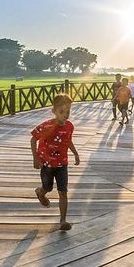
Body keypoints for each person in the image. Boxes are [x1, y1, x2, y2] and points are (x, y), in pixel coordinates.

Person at [31, 93, 80, 231]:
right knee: (47, 188)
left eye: (68, 111)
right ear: (54, 111)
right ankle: (40, 192)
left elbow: (68, 140)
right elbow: (33, 139)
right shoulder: (46, 126)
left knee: (63, 192)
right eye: (62, 111)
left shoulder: (69, 126)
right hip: (46, 165)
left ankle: (63, 220)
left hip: (62, 165)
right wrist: (35, 158)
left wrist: (75, 153)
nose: (66, 114)